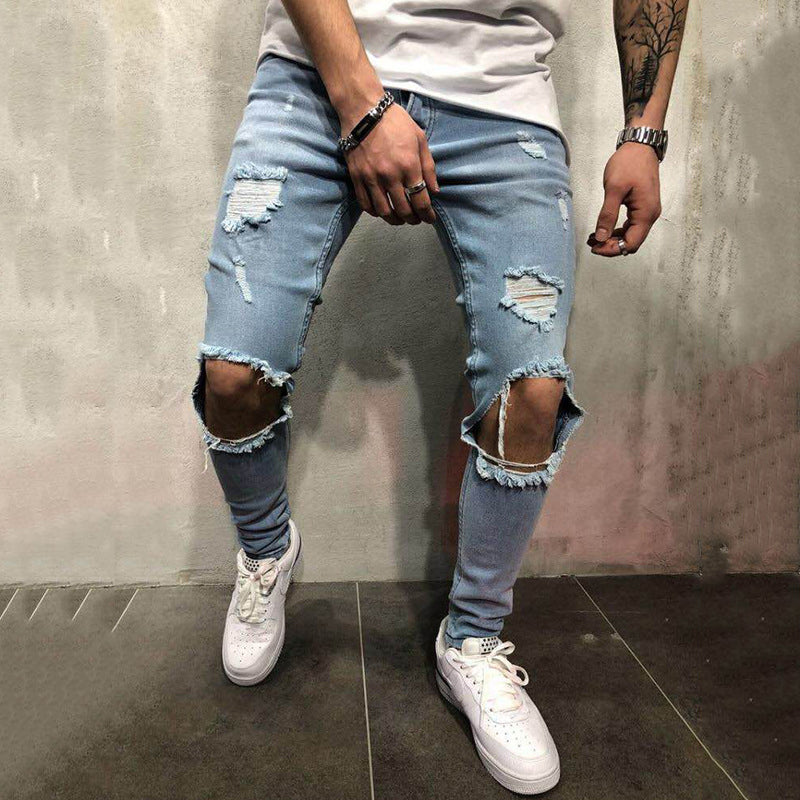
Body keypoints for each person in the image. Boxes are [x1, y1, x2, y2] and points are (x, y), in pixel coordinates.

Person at [191, 0, 688, 793]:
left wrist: (644, 133)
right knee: (233, 374)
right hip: (314, 79)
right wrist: (361, 105)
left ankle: (473, 639)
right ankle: (266, 551)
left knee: (531, 394)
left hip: (502, 97)